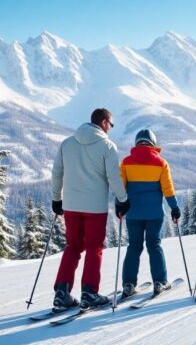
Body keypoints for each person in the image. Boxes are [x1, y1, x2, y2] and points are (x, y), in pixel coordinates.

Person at [50, 108, 128, 311]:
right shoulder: (107, 146)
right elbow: (114, 177)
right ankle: (90, 293)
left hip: (70, 207)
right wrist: (122, 199)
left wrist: (56, 199)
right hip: (95, 208)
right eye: (111, 125)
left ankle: (62, 293)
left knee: (73, 247)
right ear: (103, 123)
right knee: (94, 248)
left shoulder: (67, 143)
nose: (110, 129)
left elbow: (57, 172)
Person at [117, 129, 181, 297]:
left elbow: (120, 188)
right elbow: (167, 188)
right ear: (153, 143)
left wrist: (119, 205)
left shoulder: (126, 162)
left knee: (134, 247)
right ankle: (160, 282)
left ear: (137, 142)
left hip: (133, 213)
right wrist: (174, 207)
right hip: (155, 214)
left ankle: (128, 284)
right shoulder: (161, 163)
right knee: (154, 245)